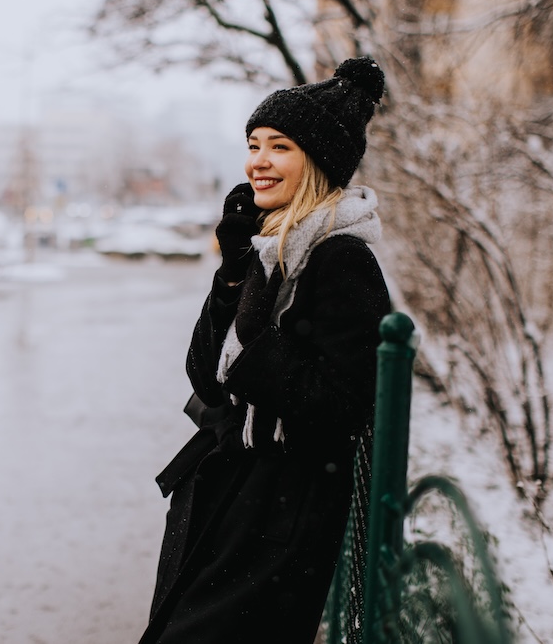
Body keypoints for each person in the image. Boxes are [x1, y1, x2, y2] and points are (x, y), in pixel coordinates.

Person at [139, 57, 392, 644]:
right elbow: (205, 376)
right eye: (253, 144)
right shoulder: (267, 252)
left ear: (318, 160)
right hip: (231, 492)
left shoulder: (341, 258)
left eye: (279, 146)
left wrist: (255, 343)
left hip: (280, 514)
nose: (257, 160)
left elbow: (345, 404)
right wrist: (231, 279)